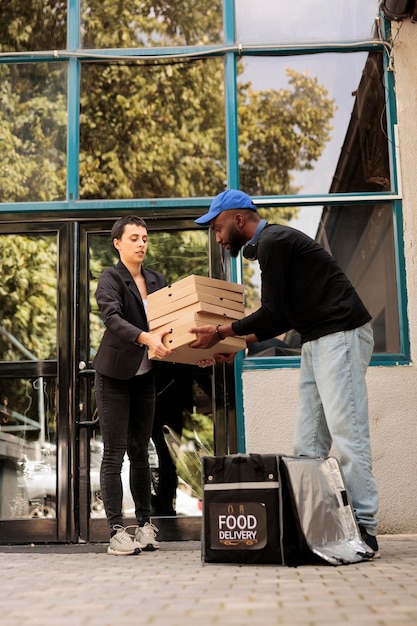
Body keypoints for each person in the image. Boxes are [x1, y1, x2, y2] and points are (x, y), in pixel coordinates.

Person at [189, 189, 380, 557]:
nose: (217, 236)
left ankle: (365, 528)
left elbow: (272, 312)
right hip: (317, 339)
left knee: (348, 433)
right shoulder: (271, 246)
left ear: (238, 219)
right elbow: (287, 315)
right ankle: (315, 528)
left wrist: (220, 333)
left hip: (340, 334)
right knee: (307, 444)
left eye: (217, 227)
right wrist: (240, 346)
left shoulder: (274, 241)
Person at [93, 215, 174, 556]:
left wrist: (193, 351)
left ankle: (144, 526)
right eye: (134, 238)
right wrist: (145, 338)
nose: (142, 243)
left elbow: (172, 322)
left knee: (142, 452)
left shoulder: (156, 279)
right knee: (115, 453)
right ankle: (115, 531)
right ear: (118, 243)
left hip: (145, 376)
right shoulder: (110, 278)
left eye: (145, 238)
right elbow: (111, 317)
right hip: (114, 375)